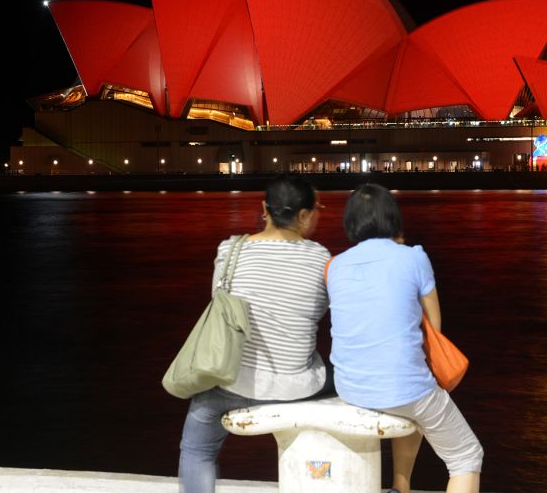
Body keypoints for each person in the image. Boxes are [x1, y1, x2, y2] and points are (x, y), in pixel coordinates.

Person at [178, 174, 331, 493]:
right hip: (294, 385)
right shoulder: (322, 259)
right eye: (317, 209)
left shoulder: (230, 251)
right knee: (336, 378)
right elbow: (320, 314)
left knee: (197, 447)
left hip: (231, 380)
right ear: (303, 215)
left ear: (265, 208)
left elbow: (221, 306)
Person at [327, 184, 483, 493]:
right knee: (465, 455)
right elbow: (433, 327)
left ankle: (401, 486)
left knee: (412, 398)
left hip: (350, 386)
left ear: (351, 223)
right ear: (393, 220)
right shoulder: (414, 258)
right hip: (405, 387)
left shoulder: (334, 265)